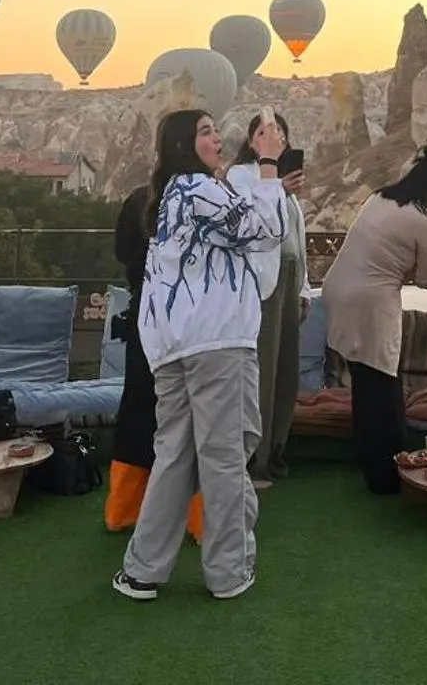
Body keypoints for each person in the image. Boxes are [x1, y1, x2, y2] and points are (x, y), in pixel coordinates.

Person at [113, 109, 286, 602]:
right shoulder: (197, 188)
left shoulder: (170, 195)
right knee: (226, 454)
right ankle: (228, 571)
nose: (217, 138)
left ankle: (143, 570)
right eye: (206, 131)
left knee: (175, 455)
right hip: (215, 341)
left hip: (171, 344)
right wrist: (268, 164)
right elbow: (266, 231)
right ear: (185, 147)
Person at [321, 147, 427, 494]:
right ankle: (389, 473)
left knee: (366, 383)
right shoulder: (424, 222)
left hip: (338, 291)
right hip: (371, 304)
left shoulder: (379, 198)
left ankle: (373, 465)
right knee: (382, 386)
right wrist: (409, 266)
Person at [104, 178, 204, 543]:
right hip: (193, 314)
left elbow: (121, 252)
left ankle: (125, 509)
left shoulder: (138, 198)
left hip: (145, 311)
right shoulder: (203, 197)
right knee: (196, 413)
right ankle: (198, 518)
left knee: (138, 406)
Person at [225, 112, 308, 486]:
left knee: (285, 371)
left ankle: (276, 450)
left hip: (288, 281)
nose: (271, 138)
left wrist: (304, 289)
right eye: (263, 132)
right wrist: (277, 187)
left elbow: (297, 244)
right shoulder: (242, 175)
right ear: (252, 140)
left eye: (278, 132)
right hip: (260, 286)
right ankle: (251, 460)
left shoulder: (286, 187)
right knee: (261, 372)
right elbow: (257, 229)